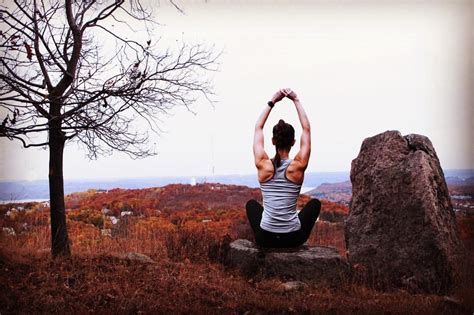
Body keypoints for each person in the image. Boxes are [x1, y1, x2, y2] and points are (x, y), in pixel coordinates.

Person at [246, 88, 321, 248]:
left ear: (273, 141)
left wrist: (272, 101)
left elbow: (258, 128)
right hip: (293, 238)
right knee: (314, 203)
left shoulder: (263, 164)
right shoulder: (298, 166)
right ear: (294, 142)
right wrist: (296, 100)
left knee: (251, 204)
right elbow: (306, 129)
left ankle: (267, 241)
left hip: (265, 238)